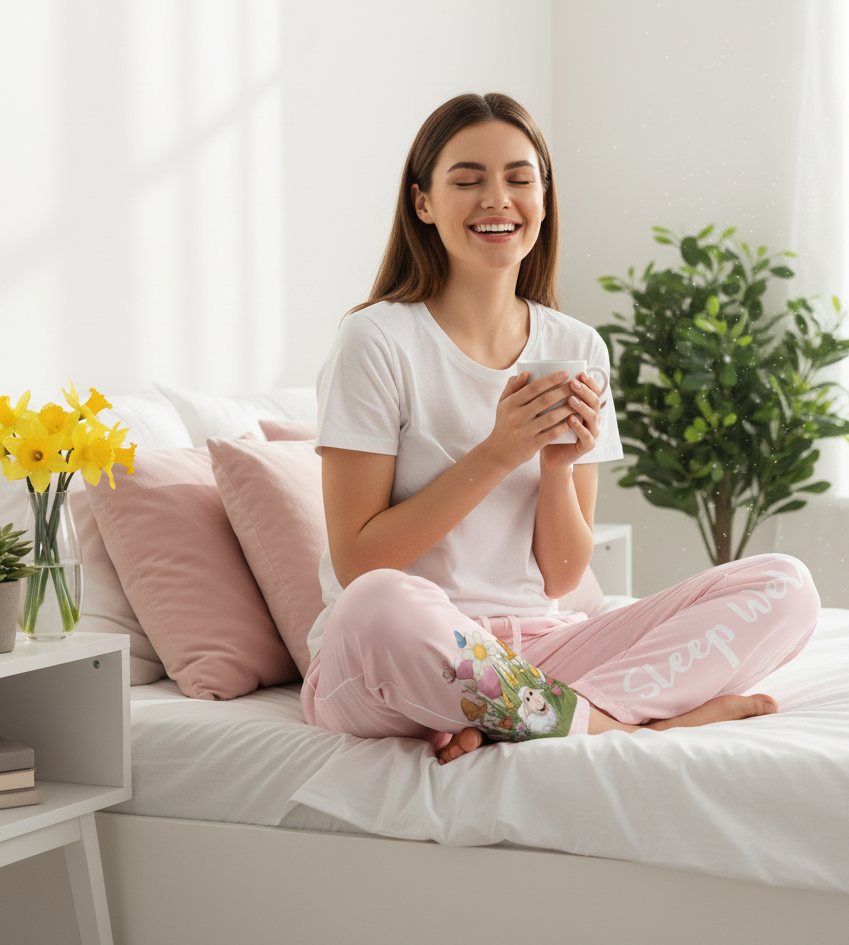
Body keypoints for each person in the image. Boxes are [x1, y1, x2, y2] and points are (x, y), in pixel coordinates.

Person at [301, 92, 820, 765]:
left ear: (543, 199)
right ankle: (621, 728)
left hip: (541, 648)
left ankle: (532, 714)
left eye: (519, 179)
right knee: (375, 604)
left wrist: (554, 465)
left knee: (786, 587)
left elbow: (562, 577)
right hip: (401, 653)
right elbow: (359, 563)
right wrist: (498, 453)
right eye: (468, 180)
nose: (497, 199)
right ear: (423, 202)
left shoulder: (577, 346)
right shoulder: (376, 340)